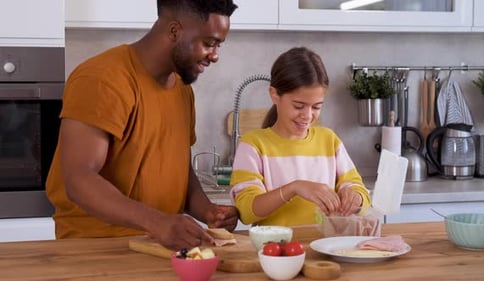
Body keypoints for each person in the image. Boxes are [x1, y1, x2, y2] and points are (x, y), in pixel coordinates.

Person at [45, 0, 239, 251]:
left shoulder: (181, 88)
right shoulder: (102, 79)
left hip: (159, 246)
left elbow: (180, 166)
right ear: (174, 31)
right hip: (97, 248)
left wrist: (208, 210)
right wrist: (158, 223)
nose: (214, 56)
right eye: (209, 43)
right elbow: (79, 179)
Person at [230, 47, 371, 226]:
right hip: (277, 250)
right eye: (298, 106)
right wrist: (294, 188)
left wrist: (355, 197)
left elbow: (359, 191)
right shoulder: (253, 145)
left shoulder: (329, 140)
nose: (307, 115)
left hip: (326, 247)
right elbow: (246, 211)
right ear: (274, 94)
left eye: (316, 107)